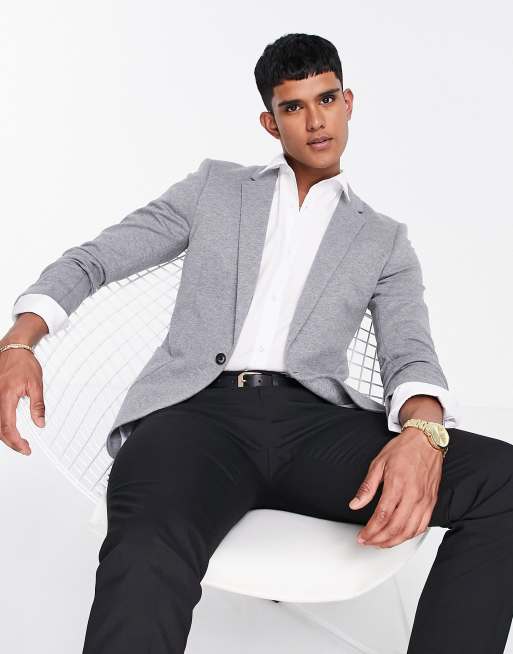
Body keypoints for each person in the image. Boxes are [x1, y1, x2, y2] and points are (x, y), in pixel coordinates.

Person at [1, 32, 512, 654]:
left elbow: (411, 353)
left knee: (504, 482)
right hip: (194, 417)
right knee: (147, 547)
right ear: (271, 123)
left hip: (313, 426)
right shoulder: (214, 189)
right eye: (294, 107)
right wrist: (19, 344)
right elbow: (95, 260)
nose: (316, 121)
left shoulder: (383, 239)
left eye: (327, 99)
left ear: (349, 102)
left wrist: (423, 433)